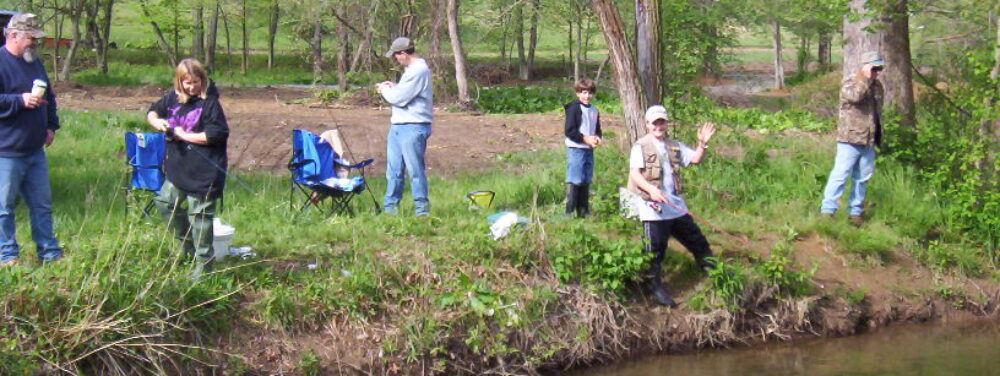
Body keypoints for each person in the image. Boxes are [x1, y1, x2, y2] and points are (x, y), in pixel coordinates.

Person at [627, 105, 716, 307]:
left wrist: (702, 144)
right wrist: (652, 190)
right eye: (654, 122)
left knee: (697, 240)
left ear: (667, 124)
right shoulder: (640, 146)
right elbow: (635, 174)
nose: (659, 126)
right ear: (647, 125)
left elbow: (694, 159)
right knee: (655, 250)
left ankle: (714, 273)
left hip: (675, 205)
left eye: (662, 122)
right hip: (652, 207)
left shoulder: (674, 145)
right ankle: (653, 287)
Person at [147, 58, 229, 278]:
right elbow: (153, 112)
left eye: (196, 81)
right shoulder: (172, 98)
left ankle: (204, 267)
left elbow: (216, 134)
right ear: (179, 82)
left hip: (204, 172)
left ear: (203, 80)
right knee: (165, 204)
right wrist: (159, 123)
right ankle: (188, 250)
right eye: (187, 83)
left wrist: (184, 135)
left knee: (200, 218)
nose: (192, 87)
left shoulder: (211, 103)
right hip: (178, 169)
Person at [0, 13, 63, 266]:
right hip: (5, 151)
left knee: (42, 205)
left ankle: (50, 254)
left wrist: (50, 125)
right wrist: (20, 101)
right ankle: (8, 255)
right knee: (3, 208)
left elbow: (50, 96)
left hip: (35, 150)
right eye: (30, 38)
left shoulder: (34, 63)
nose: (34, 44)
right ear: (13, 35)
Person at [820, 51, 885, 227]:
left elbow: (878, 111)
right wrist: (864, 78)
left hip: (868, 139)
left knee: (863, 177)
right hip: (850, 138)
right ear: (864, 66)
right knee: (840, 175)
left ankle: (855, 213)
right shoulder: (850, 82)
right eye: (874, 68)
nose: (877, 72)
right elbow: (854, 97)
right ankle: (828, 211)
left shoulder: (877, 86)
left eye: (879, 68)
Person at [376, 37, 434, 217]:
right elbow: (405, 92)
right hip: (399, 126)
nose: (396, 59)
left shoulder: (419, 70)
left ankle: (422, 211)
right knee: (393, 171)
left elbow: (398, 99)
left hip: (413, 126)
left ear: (403, 53)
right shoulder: (411, 71)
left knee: (415, 170)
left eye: (396, 55)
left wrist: (384, 89)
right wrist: (394, 86)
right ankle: (390, 210)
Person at [563, 79, 602, 217]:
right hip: (576, 149)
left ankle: (584, 210)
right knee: (575, 178)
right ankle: (570, 210)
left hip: (588, 150)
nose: (587, 96)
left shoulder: (594, 111)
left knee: (586, 178)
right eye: (584, 93)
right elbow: (570, 131)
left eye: (590, 93)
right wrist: (585, 139)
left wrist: (597, 138)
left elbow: (597, 129)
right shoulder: (574, 108)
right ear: (578, 93)